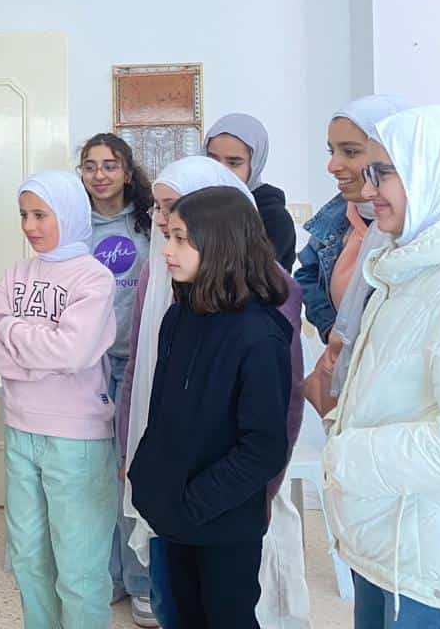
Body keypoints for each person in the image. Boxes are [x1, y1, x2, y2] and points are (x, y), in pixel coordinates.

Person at [119, 157, 307, 629]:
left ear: (220, 244)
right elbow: (162, 415)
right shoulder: (179, 316)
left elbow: (263, 448)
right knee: (177, 616)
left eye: (181, 239)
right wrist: (151, 483)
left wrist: (194, 503)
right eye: (168, 236)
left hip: (221, 524)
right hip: (173, 516)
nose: (167, 250)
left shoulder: (259, 335)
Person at [323, 105, 440, 627]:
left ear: (435, 171)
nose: (368, 190)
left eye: (383, 173)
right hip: (393, 547)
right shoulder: (410, 266)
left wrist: (346, 456)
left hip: (436, 572)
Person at [0, 171, 117, 629]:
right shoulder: (18, 272)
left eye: (41, 215)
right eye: (23, 215)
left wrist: (13, 334)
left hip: (77, 437)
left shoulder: (94, 277)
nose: (29, 226)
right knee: (28, 558)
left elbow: (72, 351)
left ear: (69, 214)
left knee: (78, 569)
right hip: (20, 428)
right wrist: (38, 356)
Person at [78, 133, 156, 627]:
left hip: (138, 362)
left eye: (110, 165)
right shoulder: (73, 224)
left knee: (133, 474)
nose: (100, 175)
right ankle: (109, 577)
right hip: (88, 366)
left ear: (128, 172)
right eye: (90, 166)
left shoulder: (151, 223)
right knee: (96, 476)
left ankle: (143, 582)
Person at [296, 96, 410, 415]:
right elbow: (307, 274)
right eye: (332, 151)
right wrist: (331, 329)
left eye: (350, 152)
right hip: (345, 393)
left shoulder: (412, 235)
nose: (333, 166)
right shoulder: (340, 214)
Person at [206, 113, 297, 270]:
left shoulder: (273, 218)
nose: (220, 171)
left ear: (255, 164)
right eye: (212, 160)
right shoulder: (194, 205)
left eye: (233, 163)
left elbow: (260, 278)